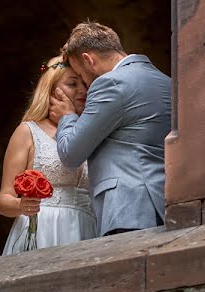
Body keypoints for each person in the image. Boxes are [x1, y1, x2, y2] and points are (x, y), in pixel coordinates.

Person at [50, 21, 171, 236]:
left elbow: (71, 153)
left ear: (88, 60)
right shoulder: (166, 81)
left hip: (128, 208)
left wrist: (67, 117)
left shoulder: (110, 83)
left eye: (82, 75)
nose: (86, 85)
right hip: (164, 202)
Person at [0, 55, 97, 255]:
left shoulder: (93, 132)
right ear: (51, 90)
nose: (82, 90)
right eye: (72, 84)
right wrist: (21, 205)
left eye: (85, 84)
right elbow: (3, 201)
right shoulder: (28, 132)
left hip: (87, 230)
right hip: (43, 229)